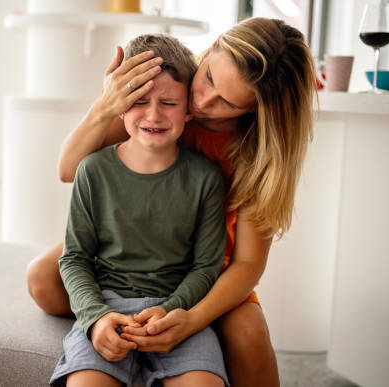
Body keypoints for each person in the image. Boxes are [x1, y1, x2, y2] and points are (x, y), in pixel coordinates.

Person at [29, 17, 316, 387]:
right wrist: (106, 104)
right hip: (135, 244)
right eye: (210, 77)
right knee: (42, 278)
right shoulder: (164, 99)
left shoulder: (257, 154)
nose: (202, 100)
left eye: (226, 101)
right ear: (213, 47)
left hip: (210, 264)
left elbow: (247, 263)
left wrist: (189, 320)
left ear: (255, 111)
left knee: (248, 332)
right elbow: (70, 169)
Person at [50, 33, 228, 387]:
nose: (153, 114)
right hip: (108, 307)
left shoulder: (206, 177)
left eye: (169, 102)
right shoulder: (93, 170)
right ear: (119, 102)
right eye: (139, 100)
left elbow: (206, 266)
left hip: (178, 313)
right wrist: (96, 318)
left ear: (189, 109)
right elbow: (74, 259)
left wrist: (171, 309)